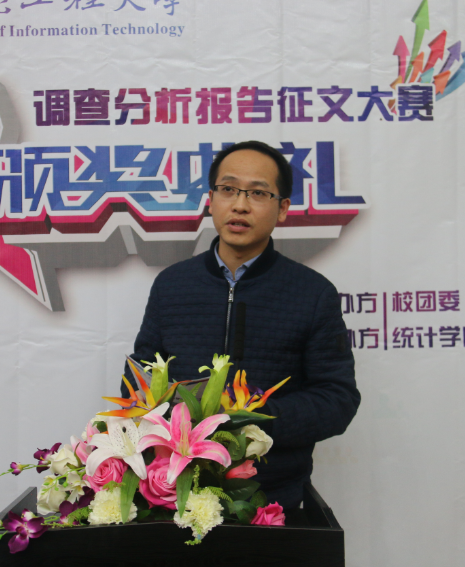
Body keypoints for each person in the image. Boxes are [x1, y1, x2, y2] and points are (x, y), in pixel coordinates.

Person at [130, 140, 360, 510]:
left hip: (270, 497)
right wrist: (181, 421)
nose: (239, 205)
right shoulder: (172, 285)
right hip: (175, 491)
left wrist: (249, 422)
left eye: (258, 193)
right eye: (228, 189)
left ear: (282, 208)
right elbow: (140, 379)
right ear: (211, 199)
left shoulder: (313, 293)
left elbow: (337, 400)